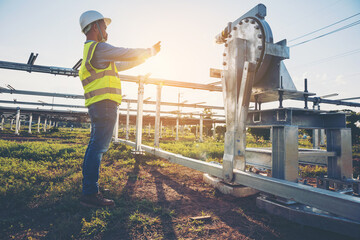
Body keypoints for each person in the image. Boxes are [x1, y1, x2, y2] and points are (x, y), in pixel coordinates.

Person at [78, 10, 161, 208]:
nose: (106, 30)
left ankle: (90, 189)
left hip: (98, 105)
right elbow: (124, 52)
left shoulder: (92, 52)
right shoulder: (99, 48)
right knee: (98, 148)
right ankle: (90, 193)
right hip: (105, 105)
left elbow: (122, 63)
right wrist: (149, 51)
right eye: (104, 26)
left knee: (95, 146)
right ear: (95, 26)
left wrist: (144, 58)